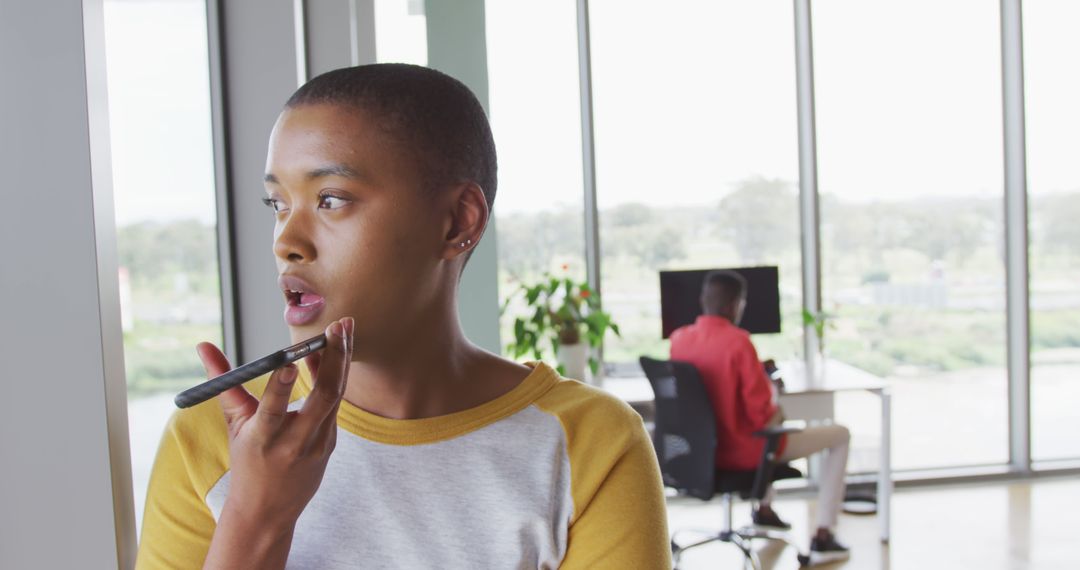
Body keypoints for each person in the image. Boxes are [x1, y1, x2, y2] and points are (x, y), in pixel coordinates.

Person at [136, 64, 670, 569]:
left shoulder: (591, 442)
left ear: (456, 221)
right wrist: (255, 517)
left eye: (330, 199)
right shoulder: (211, 436)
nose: (287, 242)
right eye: (277, 204)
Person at [669, 270, 850, 564]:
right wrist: (774, 396)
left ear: (704, 300)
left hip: (700, 454)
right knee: (838, 434)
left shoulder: (679, 339)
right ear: (735, 305)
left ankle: (765, 512)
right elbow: (760, 415)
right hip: (742, 453)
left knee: (766, 431)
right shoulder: (738, 342)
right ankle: (824, 536)